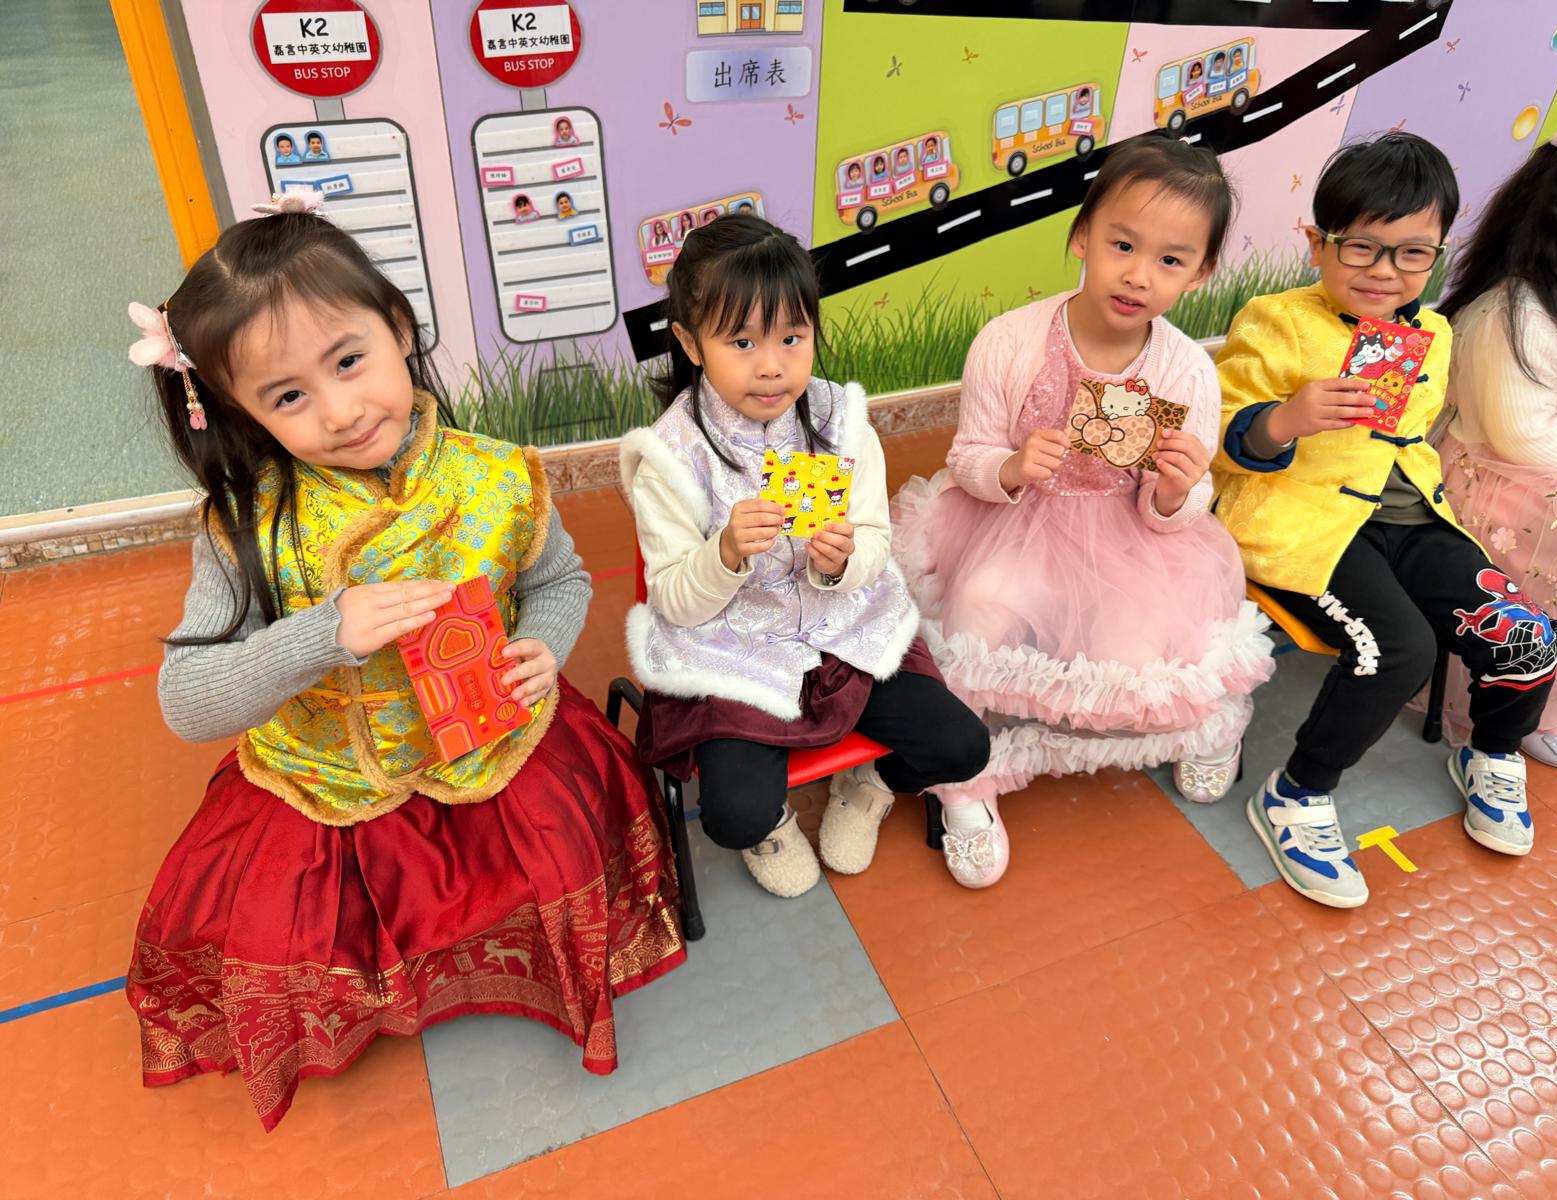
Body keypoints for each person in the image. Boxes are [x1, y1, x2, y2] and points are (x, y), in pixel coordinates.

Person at [122, 191, 684, 1130]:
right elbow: (186, 701)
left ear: (398, 327)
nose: (341, 411)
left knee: (555, 859)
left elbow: (558, 578)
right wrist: (320, 635)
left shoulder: (497, 474)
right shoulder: (245, 527)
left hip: (495, 745)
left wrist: (544, 646)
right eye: (288, 396)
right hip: (332, 781)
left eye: (349, 361)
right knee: (287, 931)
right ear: (237, 409)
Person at [892, 137, 1273, 887]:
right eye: (1121, 245)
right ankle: (964, 784)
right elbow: (967, 455)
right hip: (1011, 523)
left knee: (1137, 666)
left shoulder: (1186, 370)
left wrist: (1175, 491)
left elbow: (1187, 504)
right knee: (974, 618)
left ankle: (1209, 731)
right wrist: (1009, 467)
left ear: (1200, 273)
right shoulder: (1009, 341)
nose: (1138, 275)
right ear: (1082, 238)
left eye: (1170, 260)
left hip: (1129, 538)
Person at [1213, 133, 1557, 909]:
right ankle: (1297, 793)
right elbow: (1217, 438)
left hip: (1412, 519)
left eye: (1412, 254)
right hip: (1306, 524)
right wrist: (1285, 419)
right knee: (1399, 650)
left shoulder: (1432, 333)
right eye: (1363, 248)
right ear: (1318, 245)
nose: (1385, 272)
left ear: (1437, 256)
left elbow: (1415, 437)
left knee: (1527, 632)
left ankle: (1491, 753)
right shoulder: (1276, 320)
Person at [620, 213, 990, 898]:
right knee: (733, 815)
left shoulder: (840, 423)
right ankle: (771, 824)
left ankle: (867, 785)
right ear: (691, 343)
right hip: (733, 651)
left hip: (844, 631)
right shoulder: (670, 458)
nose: (772, 366)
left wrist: (843, 560)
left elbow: (874, 542)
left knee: (963, 747)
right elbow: (671, 597)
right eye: (742, 342)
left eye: (792, 338)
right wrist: (724, 553)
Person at [1431, 96, 1557, 769]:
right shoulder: (1518, 310)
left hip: (1556, 469)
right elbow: (1523, 440)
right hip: (1498, 486)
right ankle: (1529, 698)